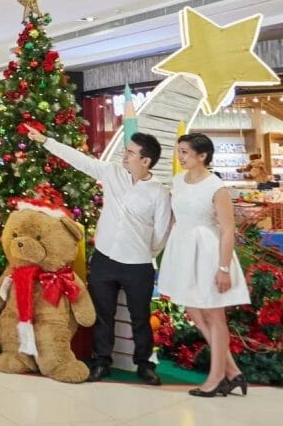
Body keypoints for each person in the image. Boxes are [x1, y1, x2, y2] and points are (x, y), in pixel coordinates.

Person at [26, 125, 171, 385]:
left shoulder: (159, 192)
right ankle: (101, 361)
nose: (124, 156)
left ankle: (144, 364)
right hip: (105, 259)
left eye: (131, 153)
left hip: (138, 265)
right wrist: (46, 140)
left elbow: (161, 233)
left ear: (145, 160)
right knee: (102, 314)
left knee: (140, 316)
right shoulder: (113, 173)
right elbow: (80, 160)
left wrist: (142, 252)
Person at [159, 133, 251, 398]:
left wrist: (223, 268)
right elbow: (177, 219)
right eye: (179, 151)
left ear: (203, 156)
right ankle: (232, 371)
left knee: (214, 315)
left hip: (209, 253)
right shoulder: (178, 181)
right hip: (184, 251)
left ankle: (216, 377)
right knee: (196, 313)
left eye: (186, 152)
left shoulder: (216, 186)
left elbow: (228, 230)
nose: (181, 156)